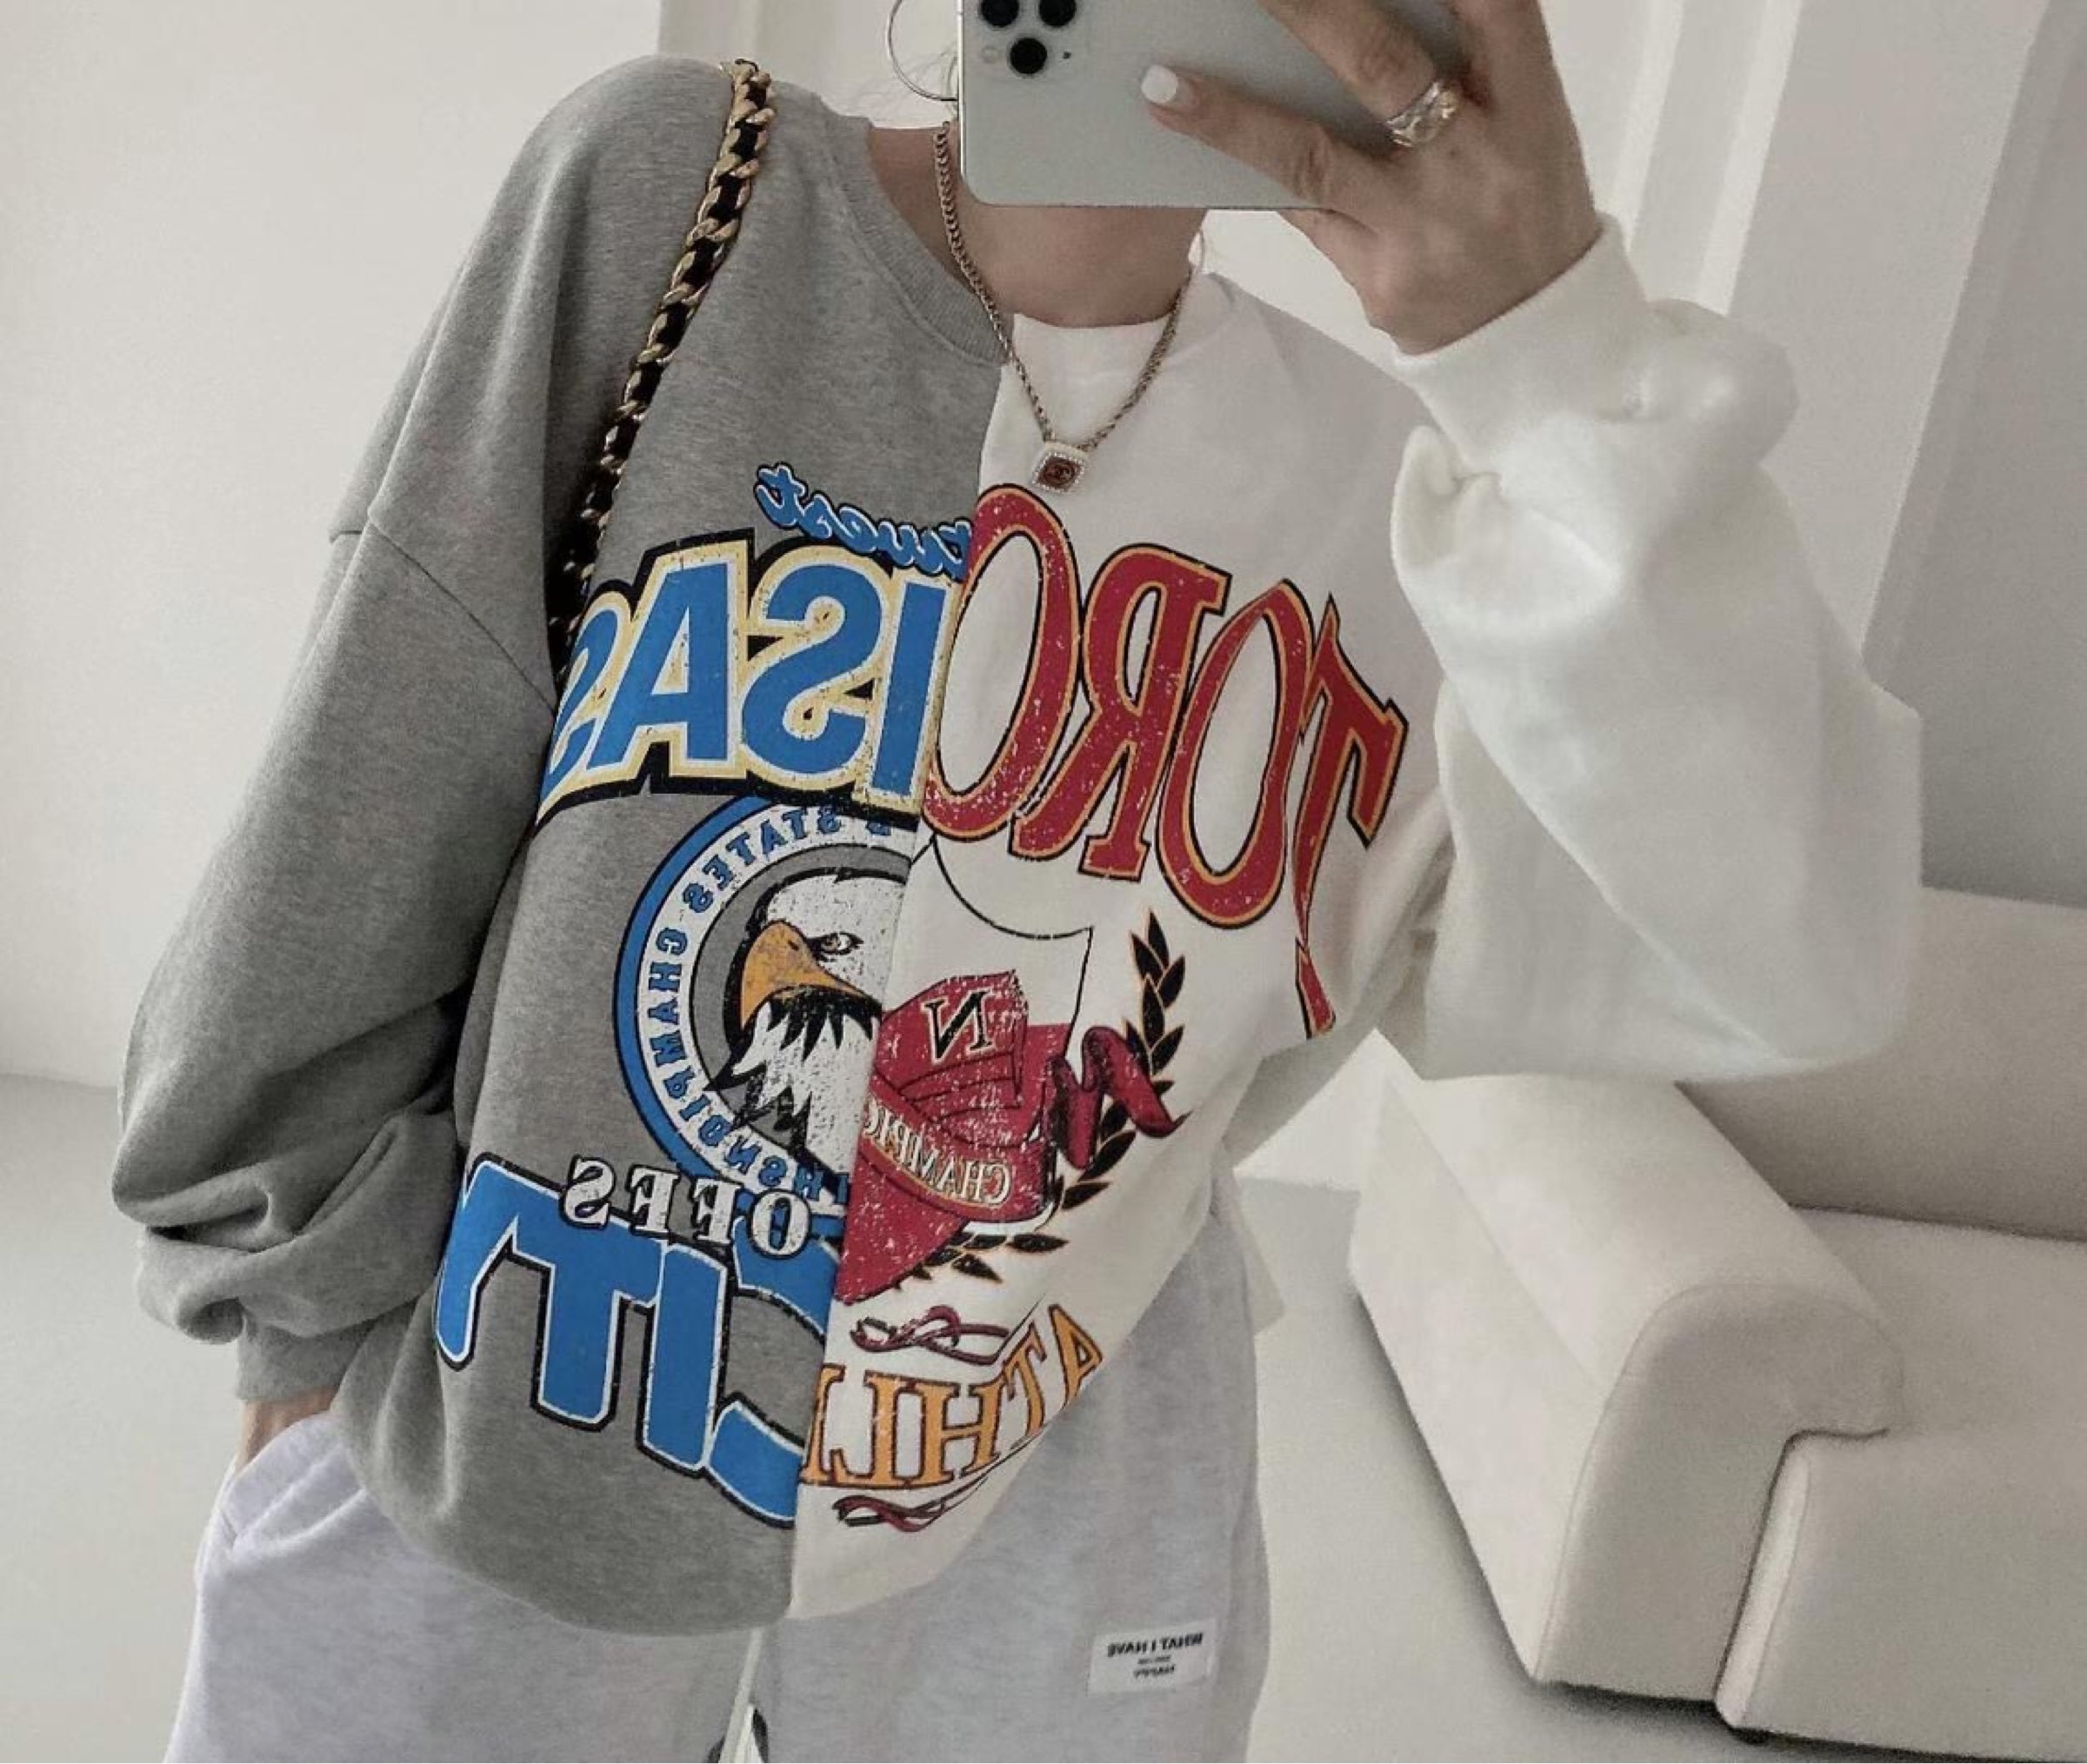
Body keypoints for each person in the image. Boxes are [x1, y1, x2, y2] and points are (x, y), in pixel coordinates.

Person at [111, 2, 1925, 1759]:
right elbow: (377, 768)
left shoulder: (1412, 509)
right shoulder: (682, 195)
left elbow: (1799, 964)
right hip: (527, 1366)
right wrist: (296, 1327)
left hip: (1064, 1456)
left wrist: (1552, 362)